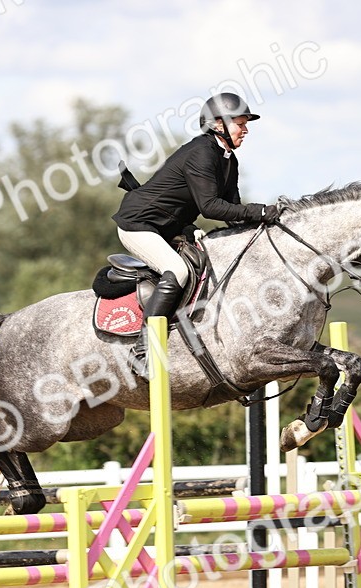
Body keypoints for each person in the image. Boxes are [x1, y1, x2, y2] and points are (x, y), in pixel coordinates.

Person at [113, 91, 280, 375]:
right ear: (218, 125)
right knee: (177, 271)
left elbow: (233, 211)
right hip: (139, 224)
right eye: (241, 123)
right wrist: (262, 211)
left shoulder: (228, 160)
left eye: (245, 123)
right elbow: (212, 208)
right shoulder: (201, 153)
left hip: (170, 227)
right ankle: (143, 349)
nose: (246, 129)